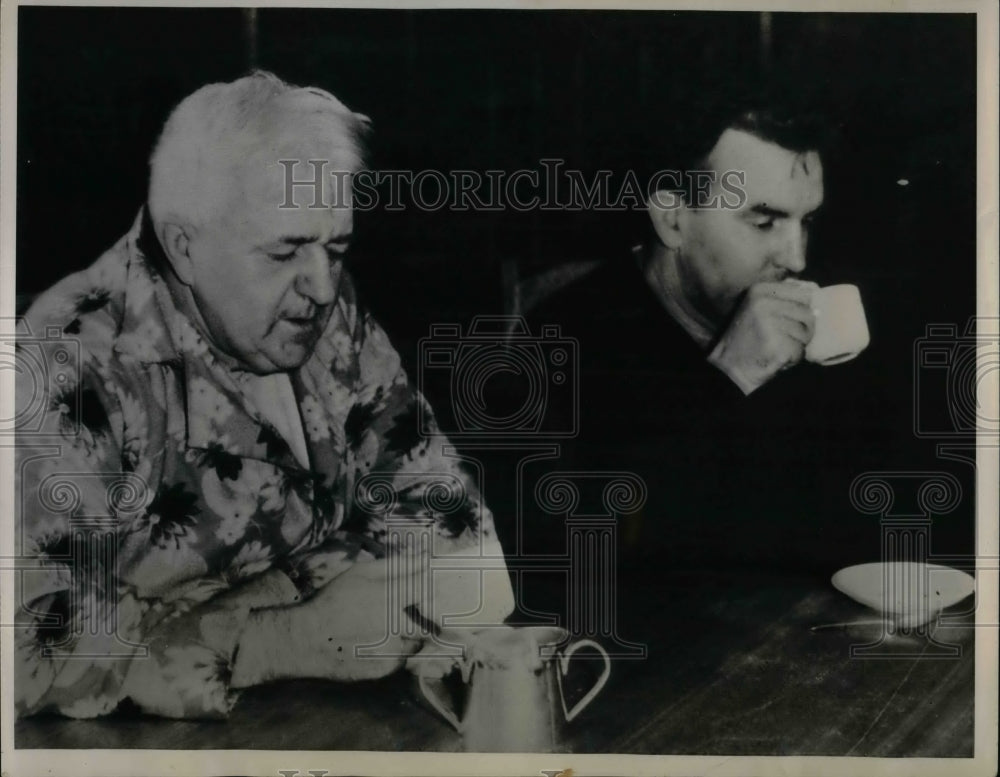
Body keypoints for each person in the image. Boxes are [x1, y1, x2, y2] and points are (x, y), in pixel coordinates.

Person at [13, 71, 513, 720]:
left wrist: (237, 615)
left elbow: (467, 552)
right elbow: (28, 656)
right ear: (183, 246)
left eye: (336, 247)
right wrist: (283, 636)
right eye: (285, 251)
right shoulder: (66, 364)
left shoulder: (324, 316)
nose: (323, 287)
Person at [524, 98, 887, 612]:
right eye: (765, 222)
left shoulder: (811, 323)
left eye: (806, 221)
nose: (797, 257)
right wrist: (730, 377)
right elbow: (586, 566)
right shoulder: (563, 340)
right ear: (672, 217)